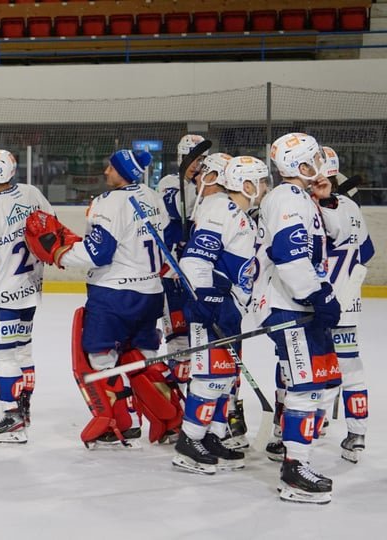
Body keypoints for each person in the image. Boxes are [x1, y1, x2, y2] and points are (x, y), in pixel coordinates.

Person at [25, 149, 180, 447]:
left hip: (113, 295)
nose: (106, 171)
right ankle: (170, 420)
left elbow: (99, 253)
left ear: (123, 172)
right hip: (151, 293)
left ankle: (121, 423)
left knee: (98, 358)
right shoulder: (152, 196)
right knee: (143, 358)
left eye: (111, 167)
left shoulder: (108, 202)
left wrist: (60, 253)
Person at [251, 132, 341, 504]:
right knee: (305, 386)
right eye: (315, 158)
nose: (321, 163)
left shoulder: (299, 196)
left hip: (297, 304)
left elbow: (330, 240)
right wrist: (316, 295)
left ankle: (292, 453)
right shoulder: (287, 198)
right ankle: (294, 470)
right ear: (300, 165)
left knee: (312, 383)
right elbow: (289, 256)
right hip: (290, 306)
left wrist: (325, 197)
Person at [172, 154, 268, 474]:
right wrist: (206, 298)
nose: (265, 187)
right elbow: (196, 259)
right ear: (246, 184)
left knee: (224, 377)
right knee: (210, 376)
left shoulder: (242, 215)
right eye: (261, 181)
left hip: (230, 308)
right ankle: (189, 442)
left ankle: (212, 436)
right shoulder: (221, 209)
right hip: (213, 305)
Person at [0, 149, 53, 444]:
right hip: (29, 290)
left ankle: (12, 417)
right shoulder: (31, 193)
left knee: (3, 356)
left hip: (0, 294)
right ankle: (24, 409)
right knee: (23, 351)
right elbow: (51, 229)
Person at [312, 146, 375, 463]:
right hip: (348, 305)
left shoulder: (311, 206)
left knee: (314, 364)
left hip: (318, 303)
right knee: (350, 366)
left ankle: (311, 424)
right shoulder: (350, 205)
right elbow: (367, 252)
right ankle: (357, 433)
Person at [154, 135, 208, 402]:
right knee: (178, 339)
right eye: (192, 159)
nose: (197, 165)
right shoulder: (168, 182)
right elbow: (178, 208)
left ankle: (201, 395)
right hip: (172, 275)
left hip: (199, 275)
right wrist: (202, 187)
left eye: (201, 160)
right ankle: (176, 399)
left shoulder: (209, 187)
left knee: (201, 337)